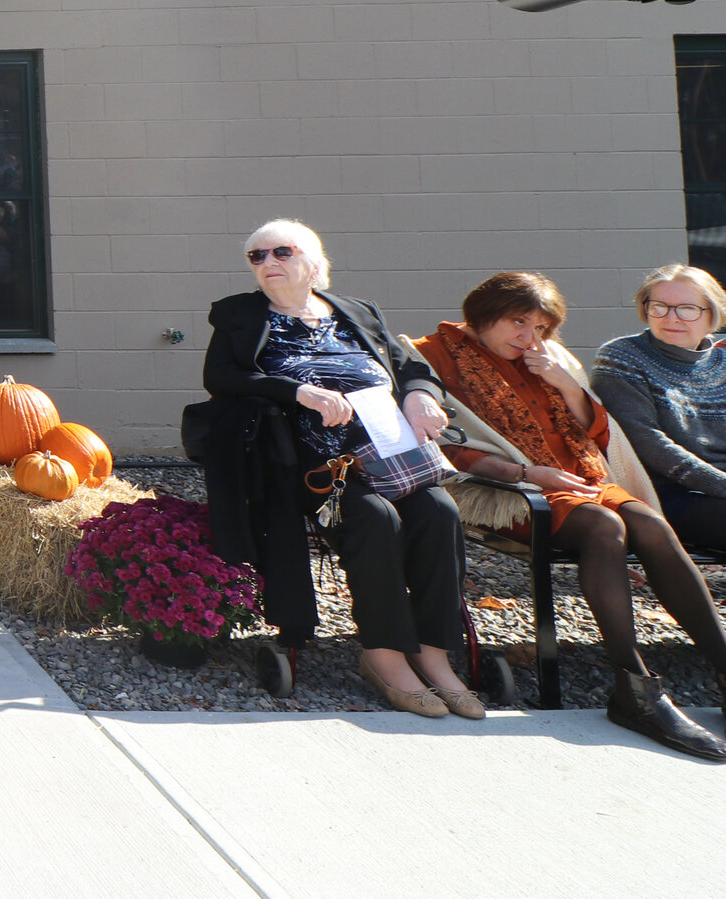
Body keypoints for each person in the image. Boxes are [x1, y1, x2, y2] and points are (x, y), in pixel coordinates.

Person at [418, 271, 726, 758]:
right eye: (519, 323)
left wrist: (565, 383)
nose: (529, 337)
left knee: (648, 523)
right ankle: (635, 689)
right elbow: (445, 449)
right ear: (482, 315)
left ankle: (723, 665)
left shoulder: (547, 356)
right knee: (605, 527)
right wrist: (530, 473)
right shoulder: (431, 355)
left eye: (541, 327)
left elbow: (598, 434)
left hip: (582, 479)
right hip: (515, 488)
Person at [203, 219, 479, 719]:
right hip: (313, 466)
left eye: (280, 253)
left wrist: (420, 396)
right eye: (256, 257)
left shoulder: (356, 311)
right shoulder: (240, 316)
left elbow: (412, 366)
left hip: (392, 455)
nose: (267, 264)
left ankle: (433, 653)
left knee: (440, 513)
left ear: (313, 260)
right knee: (376, 520)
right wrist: (296, 391)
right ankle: (383, 653)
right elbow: (222, 377)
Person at [593, 264, 726, 557]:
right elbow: (646, 441)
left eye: (687, 308)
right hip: (665, 495)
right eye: (660, 307)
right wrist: (721, 484)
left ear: (711, 314)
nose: (671, 318)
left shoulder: (723, 363)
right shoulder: (623, 356)